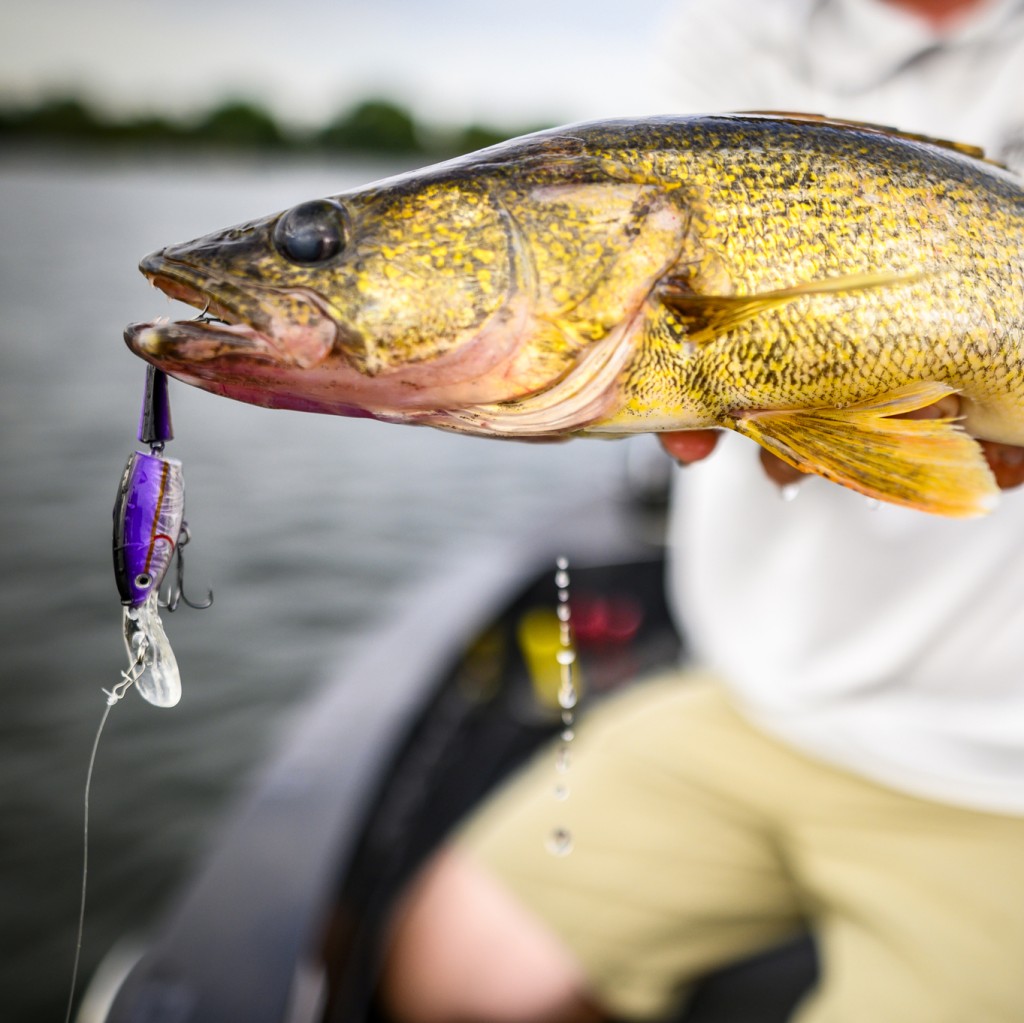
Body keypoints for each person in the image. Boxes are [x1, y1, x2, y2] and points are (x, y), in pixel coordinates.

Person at [380, 2, 1024, 1021]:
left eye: (325, 248)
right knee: (449, 979)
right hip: (755, 696)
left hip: (995, 769)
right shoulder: (738, 25)